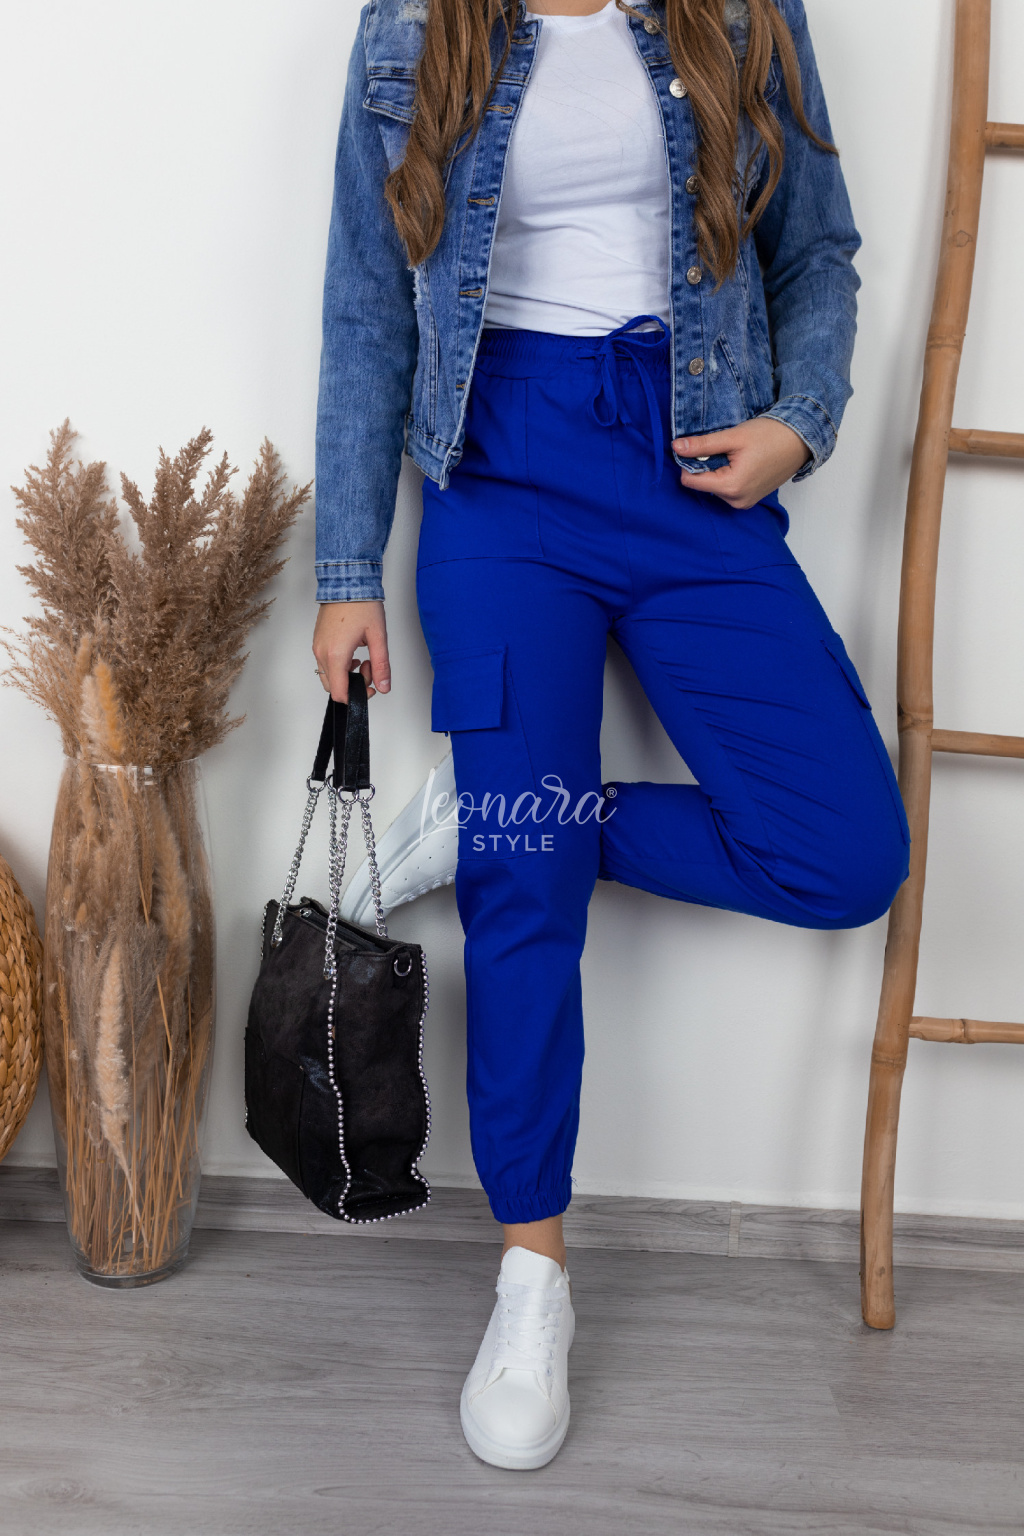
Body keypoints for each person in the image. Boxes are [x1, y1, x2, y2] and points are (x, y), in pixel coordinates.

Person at [311, 0, 909, 1471]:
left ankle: (499, 813)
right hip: (498, 474)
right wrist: (345, 569)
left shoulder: (744, 13)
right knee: (528, 908)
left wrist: (801, 421)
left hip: (694, 459)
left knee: (844, 852)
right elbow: (368, 307)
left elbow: (817, 246)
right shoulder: (411, 28)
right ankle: (532, 1278)